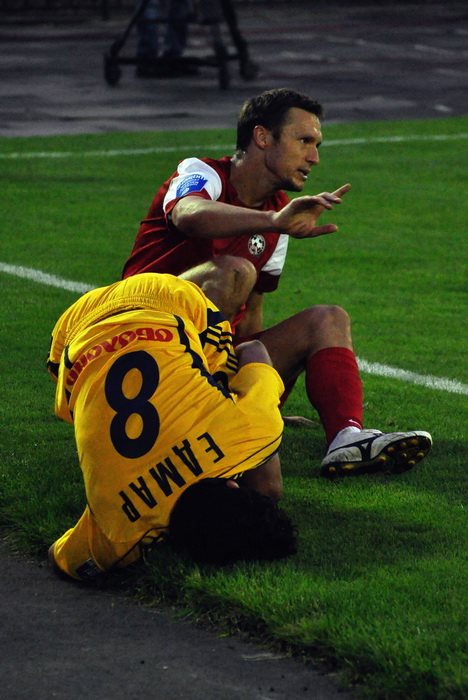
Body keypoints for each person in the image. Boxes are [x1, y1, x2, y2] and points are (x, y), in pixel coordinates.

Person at [121, 87, 433, 478]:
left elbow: (250, 316)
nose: (314, 157)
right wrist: (272, 222)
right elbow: (188, 214)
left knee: (328, 318)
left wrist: (262, 396)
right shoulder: (204, 173)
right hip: (135, 342)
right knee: (234, 272)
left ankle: (347, 437)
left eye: (317, 145)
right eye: (304, 141)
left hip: (208, 360)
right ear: (262, 137)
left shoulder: (281, 215)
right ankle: (187, 417)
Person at [47, 272, 296, 583]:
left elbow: (254, 349)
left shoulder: (253, 430)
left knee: (267, 481)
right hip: (70, 343)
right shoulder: (119, 536)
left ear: (234, 486)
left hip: (167, 298)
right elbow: (60, 557)